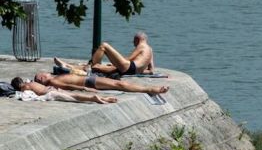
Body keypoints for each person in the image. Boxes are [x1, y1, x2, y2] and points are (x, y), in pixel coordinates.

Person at [55, 31, 155, 76]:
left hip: (128, 67)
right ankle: (67, 66)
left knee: (104, 46)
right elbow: (151, 71)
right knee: (97, 68)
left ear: (138, 39)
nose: (133, 43)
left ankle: (90, 64)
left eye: (134, 41)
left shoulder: (141, 46)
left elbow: (129, 59)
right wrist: (138, 71)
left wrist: (115, 63)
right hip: (132, 71)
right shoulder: (150, 50)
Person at [30, 72, 169, 95]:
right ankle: (150, 89)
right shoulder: (54, 81)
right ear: (42, 79)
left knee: (117, 83)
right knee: (118, 85)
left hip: (90, 78)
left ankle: (148, 88)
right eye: (40, 76)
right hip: (89, 82)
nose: (43, 74)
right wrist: (85, 89)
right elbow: (69, 86)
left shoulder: (55, 76)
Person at [10, 77, 118, 104]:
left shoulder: (25, 87)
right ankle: (104, 98)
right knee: (74, 95)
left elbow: (25, 96)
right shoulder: (31, 82)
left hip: (50, 93)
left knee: (74, 98)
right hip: (52, 89)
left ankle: (94, 99)